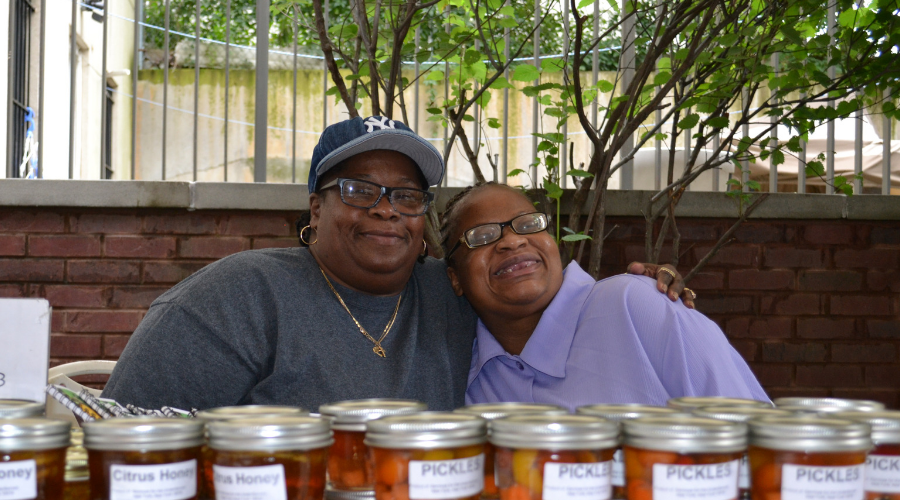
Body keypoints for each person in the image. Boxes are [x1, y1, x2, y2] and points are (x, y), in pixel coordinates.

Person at [102, 116, 690, 412]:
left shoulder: (457, 290)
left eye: (407, 196)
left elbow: (547, 307)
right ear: (316, 206)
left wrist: (642, 295)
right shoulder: (234, 299)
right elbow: (123, 441)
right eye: (361, 191)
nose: (387, 211)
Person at [440, 182, 768, 411]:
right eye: (481, 236)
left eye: (528, 224)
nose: (512, 242)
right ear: (454, 278)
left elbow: (753, 441)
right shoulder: (471, 380)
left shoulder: (636, 304)